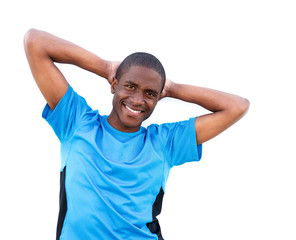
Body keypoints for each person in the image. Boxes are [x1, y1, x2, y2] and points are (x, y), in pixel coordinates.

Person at [24, 28, 250, 240]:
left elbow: (237, 106)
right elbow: (35, 41)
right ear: (114, 85)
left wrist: (171, 89)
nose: (138, 100)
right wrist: (105, 67)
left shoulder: (164, 142)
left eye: (150, 93)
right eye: (130, 86)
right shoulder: (77, 122)